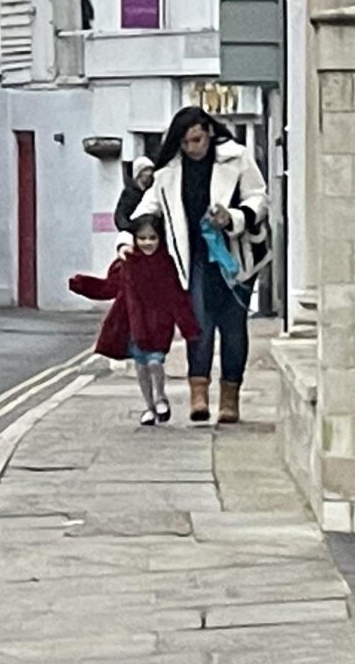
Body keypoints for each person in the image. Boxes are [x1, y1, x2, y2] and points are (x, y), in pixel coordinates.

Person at [137, 104, 269, 426]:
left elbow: (259, 198)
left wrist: (232, 217)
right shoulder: (168, 171)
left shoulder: (236, 157)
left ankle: (229, 399)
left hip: (235, 256)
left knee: (233, 325)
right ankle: (198, 394)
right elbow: (148, 207)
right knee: (198, 325)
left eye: (196, 140)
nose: (192, 148)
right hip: (194, 257)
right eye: (184, 143)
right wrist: (131, 239)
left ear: (208, 132)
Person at [70, 215, 200, 427]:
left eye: (152, 237)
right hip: (134, 325)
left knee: (155, 362)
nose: (148, 243)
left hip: (160, 325)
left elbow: (177, 297)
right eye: (142, 238)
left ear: (161, 238)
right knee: (141, 367)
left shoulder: (166, 263)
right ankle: (149, 407)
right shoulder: (126, 264)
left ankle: (160, 397)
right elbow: (109, 287)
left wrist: (189, 327)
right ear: (134, 239)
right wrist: (81, 284)